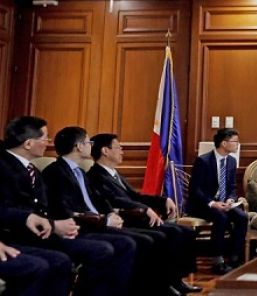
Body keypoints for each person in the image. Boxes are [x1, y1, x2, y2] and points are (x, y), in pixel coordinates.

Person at [0, 116, 136, 296]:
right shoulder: (4, 166)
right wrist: (53, 224)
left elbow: (42, 209)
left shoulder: (32, 169)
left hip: (41, 232)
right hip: (17, 236)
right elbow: (11, 209)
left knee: (63, 260)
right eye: (45, 138)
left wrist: (56, 225)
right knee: (46, 264)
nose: (48, 143)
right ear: (28, 143)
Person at [42, 126, 176, 295]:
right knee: (129, 243)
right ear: (78, 146)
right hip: (80, 227)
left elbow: (97, 198)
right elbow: (64, 208)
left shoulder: (80, 172)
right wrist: (103, 220)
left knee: (145, 239)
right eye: (88, 142)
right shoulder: (55, 172)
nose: (91, 145)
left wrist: (110, 213)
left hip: (96, 223)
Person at [87, 133, 201, 294]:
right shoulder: (96, 175)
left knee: (186, 232)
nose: (122, 152)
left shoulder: (114, 173)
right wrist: (145, 209)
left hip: (137, 214)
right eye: (119, 147)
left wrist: (162, 200)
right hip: (126, 218)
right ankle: (162, 283)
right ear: (105, 150)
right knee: (170, 233)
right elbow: (115, 199)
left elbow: (135, 196)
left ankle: (176, 279)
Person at [187, 128, 248, 274]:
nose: (238, 145)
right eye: (235, 142)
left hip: (224, 203)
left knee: (242, 217)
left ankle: (234, 258)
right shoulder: (203, 160)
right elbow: (195, 189)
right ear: (224, 143)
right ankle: (217, 261)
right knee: (221, 217)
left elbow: (232, 187)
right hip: (203, 204)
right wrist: (213, 203)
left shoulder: (232, 161)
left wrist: (230, 199)